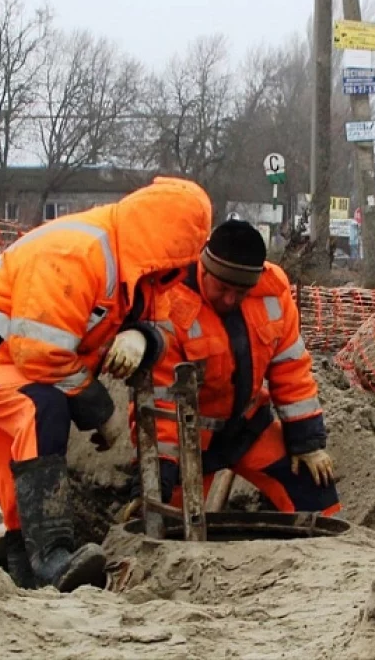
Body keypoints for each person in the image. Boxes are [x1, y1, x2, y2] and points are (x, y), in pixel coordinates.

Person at [0, 176, 212, 592]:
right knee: (41, 409)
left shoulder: (142, 270)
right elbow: (41, 354)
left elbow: (169, 327)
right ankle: (52, 557)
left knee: (22, 447)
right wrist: (100, 412)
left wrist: (142, 336)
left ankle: (25, 567)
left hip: (10, 356)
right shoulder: (78, 253)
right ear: (166, 242)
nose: (183, 268)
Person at [125, 219, 340, 518]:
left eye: (240, 292)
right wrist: (155, 476)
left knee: (316, 489)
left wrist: (307, 442)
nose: (230, 299)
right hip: (190, 438)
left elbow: (290, 369)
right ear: (205, 269)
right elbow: (161, 400)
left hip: (247, 426)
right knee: (161, 519)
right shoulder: (169, 301)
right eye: (222, 287)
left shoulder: (272, 290)